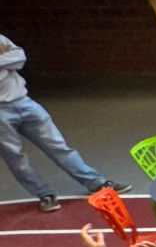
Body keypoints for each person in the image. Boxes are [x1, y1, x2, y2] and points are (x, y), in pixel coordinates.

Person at [0, 34, 128, 212]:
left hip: (24, 102)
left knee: (58, 146)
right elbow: (12, 59)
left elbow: (20, 57)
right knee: (15, 159)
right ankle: (44, 194)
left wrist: (6, 58)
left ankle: (96, 183)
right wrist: (5, 59)